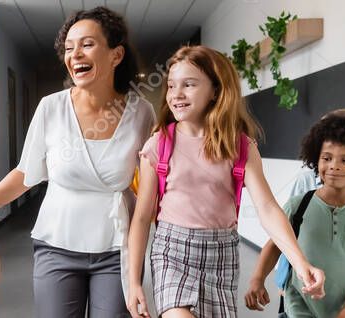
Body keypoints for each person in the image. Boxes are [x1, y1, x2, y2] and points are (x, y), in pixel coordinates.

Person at [0, 6, 154, 317]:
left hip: (115, 247)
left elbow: (153, 182)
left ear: (116, 55)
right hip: (57, 245)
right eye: (69, 48)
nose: (75, 54)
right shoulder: (51, 108)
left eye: (87, 44)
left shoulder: (141, 112)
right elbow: (27, 174)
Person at [124, 45, 325, 318]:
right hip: (172, 252)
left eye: (189, 85)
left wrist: (300, 263)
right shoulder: (159, 144)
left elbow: (267, 208)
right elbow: (141, 217)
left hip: (222, 255)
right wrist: (134, 281)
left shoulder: (240, 147)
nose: (176, 94)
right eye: (171, 86)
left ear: (216, 90)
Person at [246, 111, 345, 318]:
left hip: (344, 307)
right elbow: (274, 245)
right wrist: (257, 279)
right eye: (327, 158)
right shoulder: (299, 205)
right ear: (316, 159)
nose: (334, 165)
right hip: (299, 302)